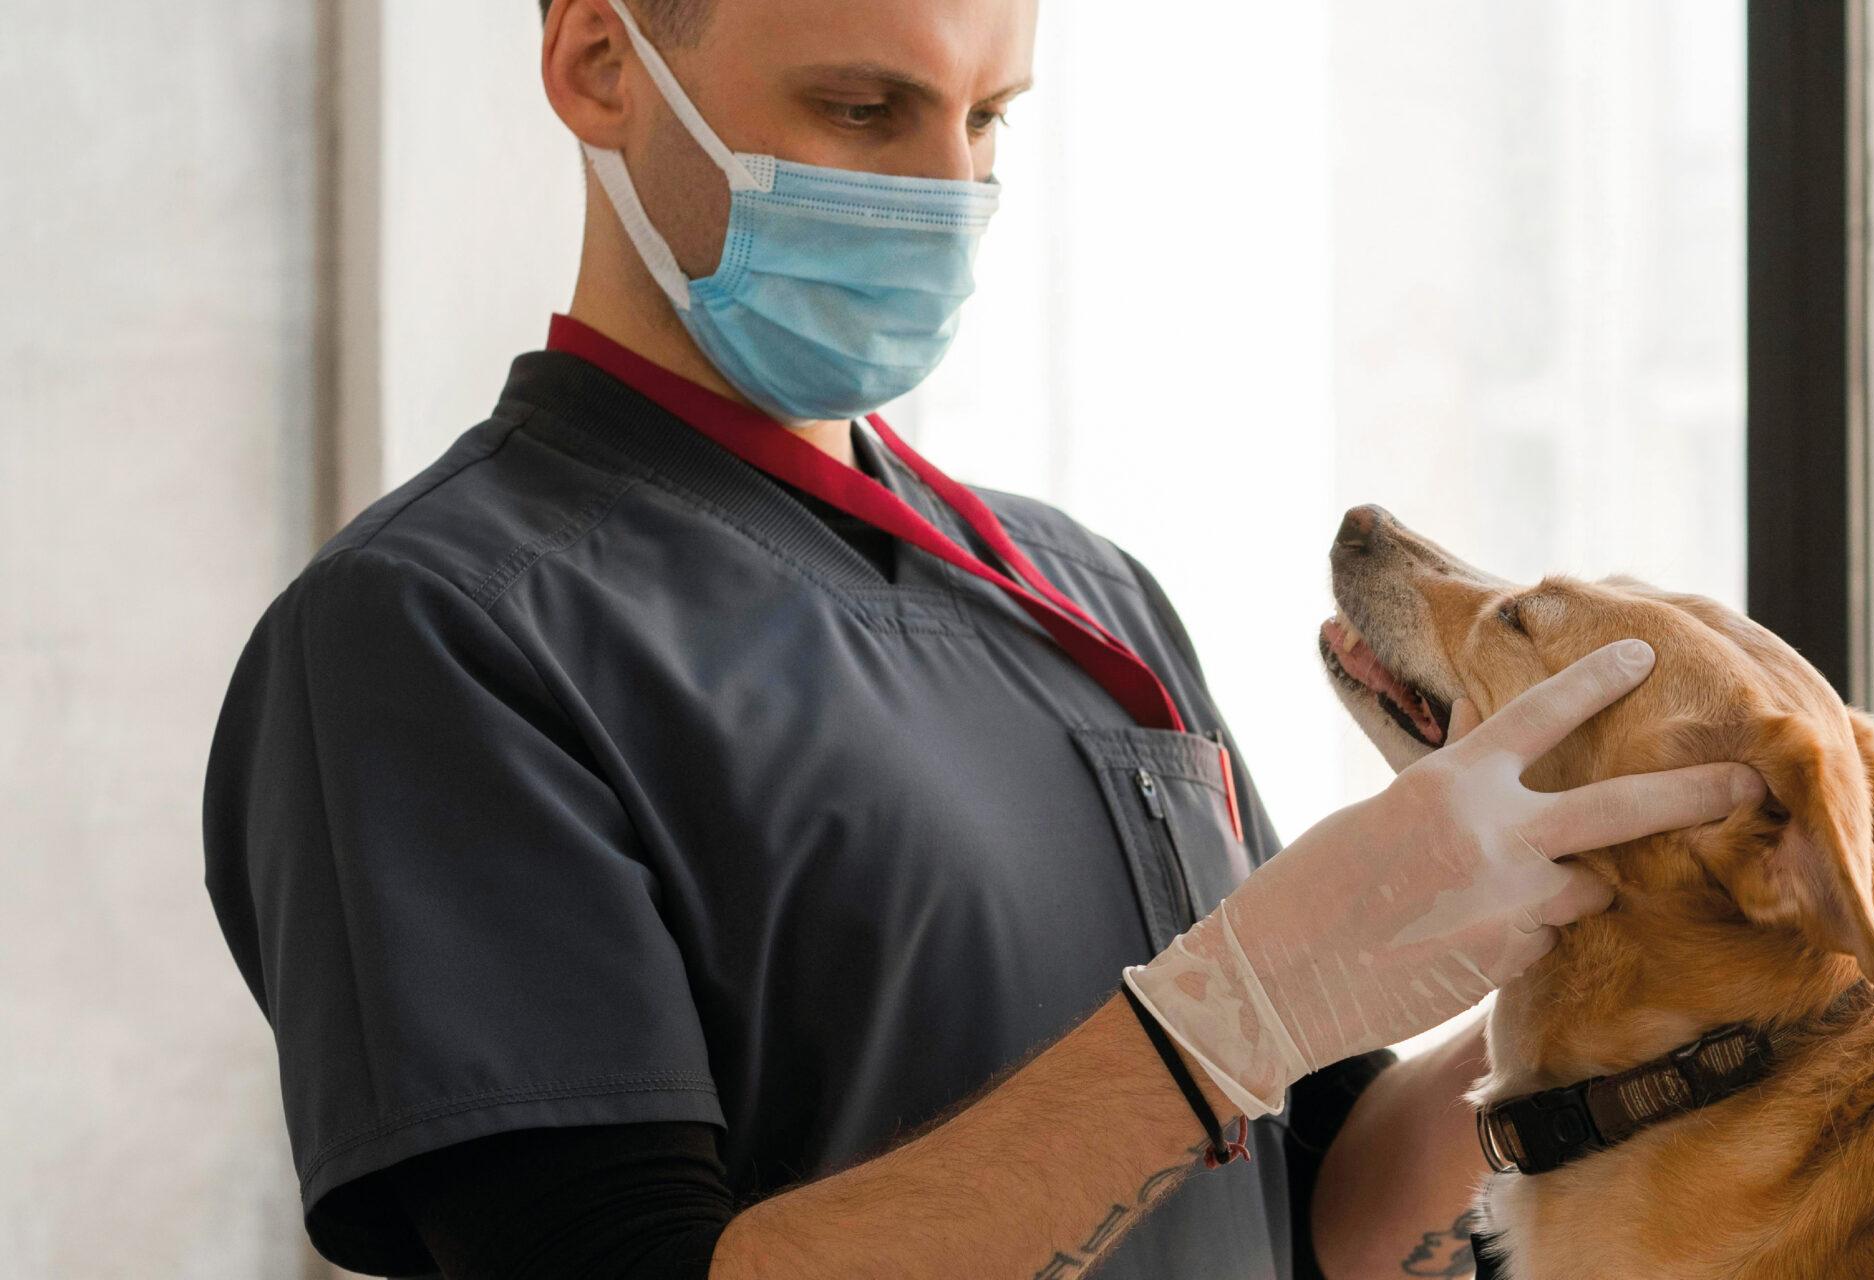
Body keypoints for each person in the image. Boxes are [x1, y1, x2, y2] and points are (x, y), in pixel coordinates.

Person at [201, 0, 1764, 1276]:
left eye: (990, 117)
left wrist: (1651, 990)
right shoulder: (433, 635)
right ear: (599, 65)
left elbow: (1329, 1216)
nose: (947, 188)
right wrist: (1226, 1020)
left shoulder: (1082, 590)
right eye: (864, 109)